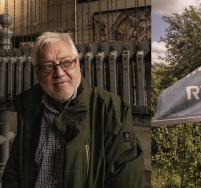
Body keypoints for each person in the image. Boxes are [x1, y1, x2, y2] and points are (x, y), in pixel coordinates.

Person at [2, 32, 148, 188]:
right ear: (37, 72)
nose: (59, 73)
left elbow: (127, 179)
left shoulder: (111, 109)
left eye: (66, 62)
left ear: (77, 63)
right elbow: (15, 170)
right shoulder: (29, 106)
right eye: (48, 66)